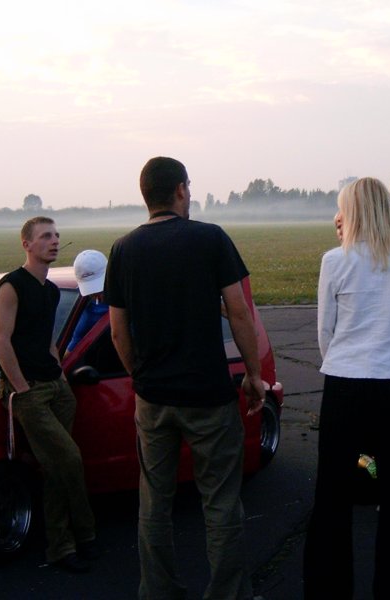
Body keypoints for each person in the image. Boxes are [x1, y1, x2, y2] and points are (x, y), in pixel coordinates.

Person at [105, 157, 265, 600]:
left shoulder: (123, 248)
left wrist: (140, 376)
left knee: (154, 503)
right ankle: (228, 593)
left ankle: (158, 591)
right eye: (188, 187)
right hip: (208, 396)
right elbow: (239, 312)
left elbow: (118, 330)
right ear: (179, 190)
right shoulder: (210, 238)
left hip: (153, 399)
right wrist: (254, 375)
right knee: (220, 502)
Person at [303, 177, 390, 599]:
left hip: (346, 383)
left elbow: (326, 331)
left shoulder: (334, 261)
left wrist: (345, 358)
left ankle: (328, 588)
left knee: (333, 492)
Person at [0, 216, 98, 573]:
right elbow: (1, 340)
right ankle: (85, 534)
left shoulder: (50, 291)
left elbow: (47, 339)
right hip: (29, 391)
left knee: (55, 468)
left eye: (56, 236)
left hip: (56, 387)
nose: (54, 241)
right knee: (69, 458)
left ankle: (61, 547)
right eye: (45, 236)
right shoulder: (11, 286)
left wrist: (61, 376)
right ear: (26, 244)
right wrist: (21, 388)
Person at [66, 249, 109, 355]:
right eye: (91, 291)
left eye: (101, 288)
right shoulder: (87, 310)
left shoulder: (132, 296)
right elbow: (73, 346)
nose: (97, 295)